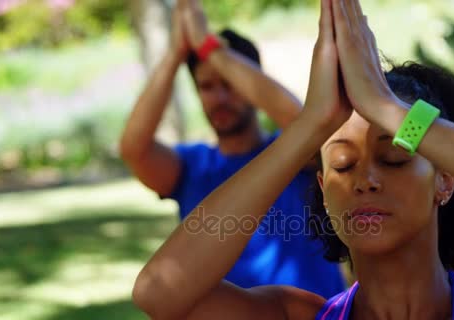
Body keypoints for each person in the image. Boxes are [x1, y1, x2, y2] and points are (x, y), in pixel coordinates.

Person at [131, 0, 454, 319]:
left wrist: (392, 111)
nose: (365, 179)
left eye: (393, 157)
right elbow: (159, 294)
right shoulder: (297, 316)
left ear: (445, 181)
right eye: (343, 165)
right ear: (325, 194)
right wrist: (308, 128)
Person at [119, 0, 345, 297]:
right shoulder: (191, 167)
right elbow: (134, 149)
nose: (220, 98)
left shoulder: (292, 152)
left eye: (229, 83)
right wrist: (176, 53)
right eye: (207, 87)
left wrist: (209, 47)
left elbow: (310, 125)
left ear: (250, 81)